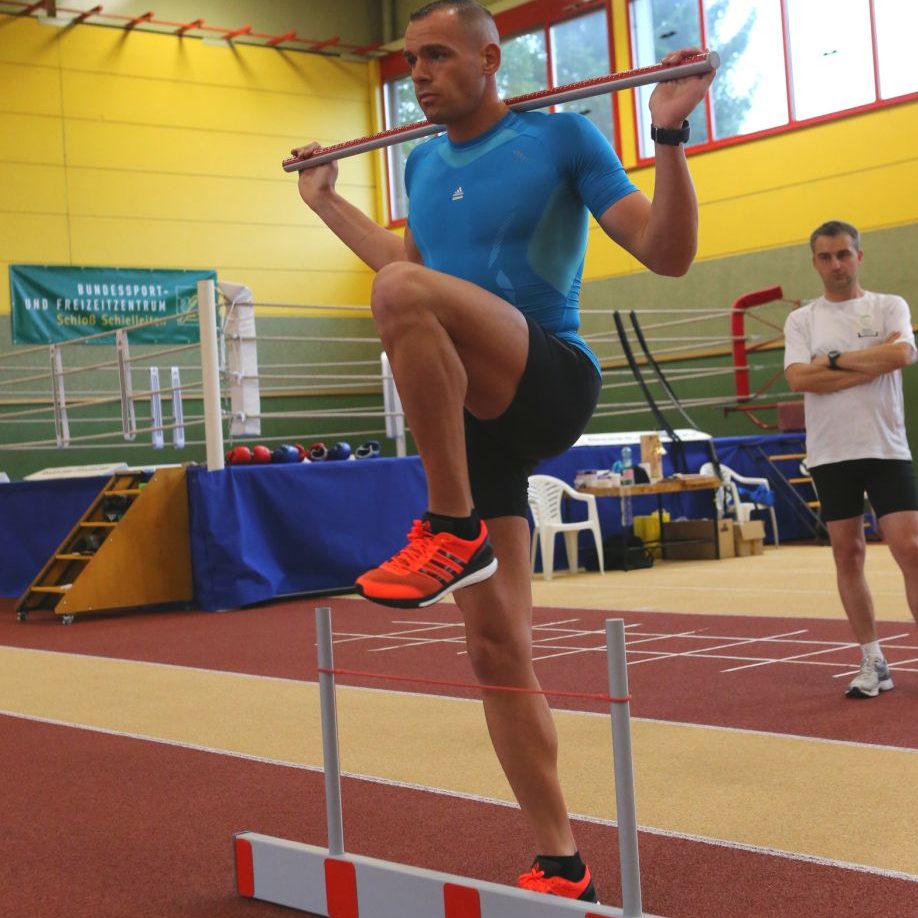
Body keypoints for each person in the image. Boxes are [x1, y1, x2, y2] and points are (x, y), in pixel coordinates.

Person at [290, 0, 712, 901]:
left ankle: (450, 528)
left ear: (490, 59)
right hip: (474, 424)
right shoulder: (420, 162)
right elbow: (410, 273)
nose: (419, 74)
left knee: (401, 292)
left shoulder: (560, 139)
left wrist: (669, 136)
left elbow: (668, 254)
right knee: (496, 652)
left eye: (438, 56)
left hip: (548, 375)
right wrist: (326, 203)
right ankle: (562, 861)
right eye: (411, 60)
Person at [784, 220, 918, 699]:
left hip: (886, 447)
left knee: (910, 548)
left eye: (843, 254)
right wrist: (867, 362)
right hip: (831, 453)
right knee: (848, 553)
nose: (836, 264)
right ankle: (873, 660)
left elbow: (901, 356)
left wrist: (833, 361)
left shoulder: (889, 305)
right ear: (815, 262)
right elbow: (799, 379)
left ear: (858, 256)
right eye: (826, 257)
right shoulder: (803, 321)